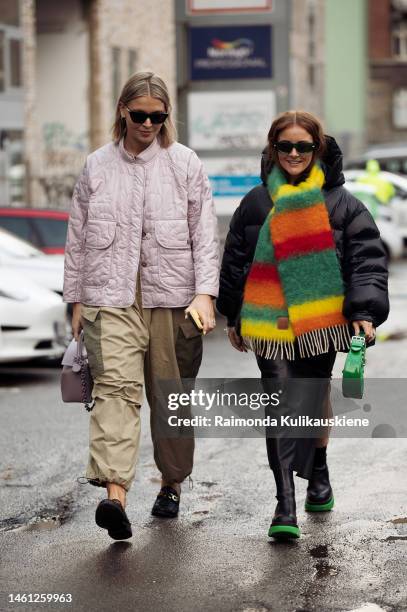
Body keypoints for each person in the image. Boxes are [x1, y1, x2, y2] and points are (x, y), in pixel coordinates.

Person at [217, 110, 389, 540]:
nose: (294, 154)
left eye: (303, 147)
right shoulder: (256, 202)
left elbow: (365, 261)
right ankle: (284, 505)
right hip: (266, 320)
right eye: (285, 146)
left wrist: (364, 313)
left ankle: (318, 468)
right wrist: (233, 314)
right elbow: (235, 261)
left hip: (322, 321)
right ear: (273, 149)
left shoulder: (342, 203)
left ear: (318, 149)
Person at [63, 71, 219, 540]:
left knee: (168, 397)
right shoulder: (96, 166)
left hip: (174, 300)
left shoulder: (185, 163)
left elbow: (204, 236)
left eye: (157, 115)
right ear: (122, 112)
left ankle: (171, 483)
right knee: (115, 391)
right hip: (109, 298)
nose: (148, 123)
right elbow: (76, 239)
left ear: (167, 116)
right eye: (140, 115)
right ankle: (115, 495)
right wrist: (75, 298)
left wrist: (205, 294)